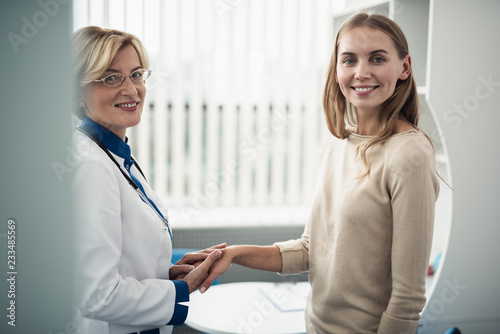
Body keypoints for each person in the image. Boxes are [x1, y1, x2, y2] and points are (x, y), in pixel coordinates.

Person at [200, 12, 440, 334]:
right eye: (349, 60)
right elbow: (311, 251)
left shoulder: (410, 154)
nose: (361, 72)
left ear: (404, 68)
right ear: (337, 69)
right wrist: (233, 254)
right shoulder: (335, 145)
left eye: (377, 58)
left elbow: (408, 298)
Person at [71, 26, 225, 334]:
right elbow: (98, 295)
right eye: (111, 78)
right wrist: (181, 291)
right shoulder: (91, 165)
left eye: (137, 74)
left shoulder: (114, 154)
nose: (131, 89)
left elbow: (120, 258)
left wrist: (164, 274)